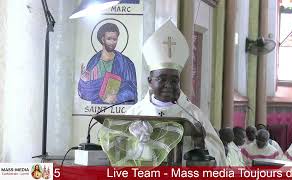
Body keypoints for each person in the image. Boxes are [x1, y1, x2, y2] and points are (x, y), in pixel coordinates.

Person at [126, 20, 227, 166]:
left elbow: (218, 155)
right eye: (162, 79)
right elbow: (116, 153)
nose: (169, 85)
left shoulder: (195, 116)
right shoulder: (134, 114)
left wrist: (201, 145)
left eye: (174, 80)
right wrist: (135, 141)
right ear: (150, 81)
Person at [78, 22, 137, 104]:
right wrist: (83, 81)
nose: (112, 42)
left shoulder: (126, 63)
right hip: (98, 111)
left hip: (118, 110)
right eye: (109, 39)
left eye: (115, 39)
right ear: (103, 39)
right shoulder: (93, 62)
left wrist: (117, 97)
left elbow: (132, 90)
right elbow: (85, 93)